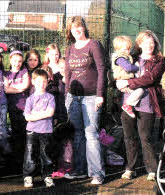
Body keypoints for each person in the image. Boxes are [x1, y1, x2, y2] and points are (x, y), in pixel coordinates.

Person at [115, 30, 165, 181]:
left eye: (152, 42)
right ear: (139, 44)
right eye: (145, 42)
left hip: (147, 104)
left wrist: (128, 83)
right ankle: (130, 168)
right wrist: (117, 82)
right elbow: (117, 70)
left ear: (155, 44)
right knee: (129, 137)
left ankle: (151, 169)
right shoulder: (131, 58)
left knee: (145, 137)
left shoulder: (160, 60)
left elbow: (150, 78)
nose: (149, 45)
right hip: (127, 103)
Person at [63, 16, 105, 185]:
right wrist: (67, 95)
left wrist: (100, 94)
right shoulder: (70, 48)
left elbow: (102, 70)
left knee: (91, 134)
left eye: (79, 27)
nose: (77, 30)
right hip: (74, 98)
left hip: (91, 97)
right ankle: (79, 170)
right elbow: (68, 73)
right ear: (70, 31)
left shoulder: (93, 44)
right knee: (78, 134)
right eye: (73, 28)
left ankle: (97, 173)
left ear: (84, 28)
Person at [22, 69, 56, 188]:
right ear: (33, 82)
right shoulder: (29, 99)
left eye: (44, 81)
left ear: (47, 82)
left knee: (46, 153)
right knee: (30, 153)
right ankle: (28, 176)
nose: (41, 84)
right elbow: (27, 117)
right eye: (39, 81)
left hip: (46, 130)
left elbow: (50, 113)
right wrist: (42, 114)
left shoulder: (50, 97)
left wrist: (35, 116)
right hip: (32, 130)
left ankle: (47, 175)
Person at [4, 50, 30, 168]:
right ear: (10, 60)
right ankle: (17, 159)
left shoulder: (24, 72)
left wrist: (14, 87)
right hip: (13, 107)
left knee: (25, 132)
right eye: (15, 61)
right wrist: (19, 89)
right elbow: (5, 89)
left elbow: (25, 85)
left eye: (20, 61)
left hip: (24, 107)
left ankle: (26, 158)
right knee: (16, 132)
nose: (17, 63)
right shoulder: (6, 74)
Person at [111, 35, 143, 118]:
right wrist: (137, 67)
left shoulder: (125, 56)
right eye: (125, 49)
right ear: (117, 49)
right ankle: (127, 105)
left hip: (124, 80)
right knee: (140, 90)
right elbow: (128, 68)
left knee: (137, 90)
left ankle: (127, 104)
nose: (128, 51)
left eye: (129, 49)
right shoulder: (120, 58)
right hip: (122, 81)